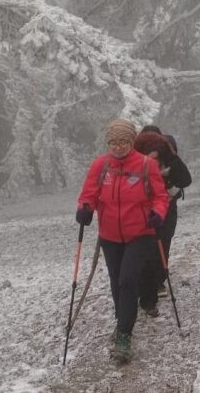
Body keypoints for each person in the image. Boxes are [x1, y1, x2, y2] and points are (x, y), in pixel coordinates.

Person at [76, 119, 169, 364]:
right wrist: (85, 209)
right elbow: (89, 194)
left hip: (140, 233)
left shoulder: (146, 165)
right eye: (113, 142)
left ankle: (124, 335)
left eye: (124, 142)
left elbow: (160, 196)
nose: (118, 147)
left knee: (128, 280)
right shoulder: (101, 165)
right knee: (117, 282)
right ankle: (122, 322)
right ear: (108, 143)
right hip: (109, 236)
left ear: (132, 142)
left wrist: (158, 213)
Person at [132, 129, 192, 317]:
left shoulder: (168, 154)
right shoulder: (136, 158)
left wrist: (171, 161)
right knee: (146, 251)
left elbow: (185, 179)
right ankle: (148, 289)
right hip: (141, 211)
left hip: (166, 208)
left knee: (162, 244)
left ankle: (157, 282)